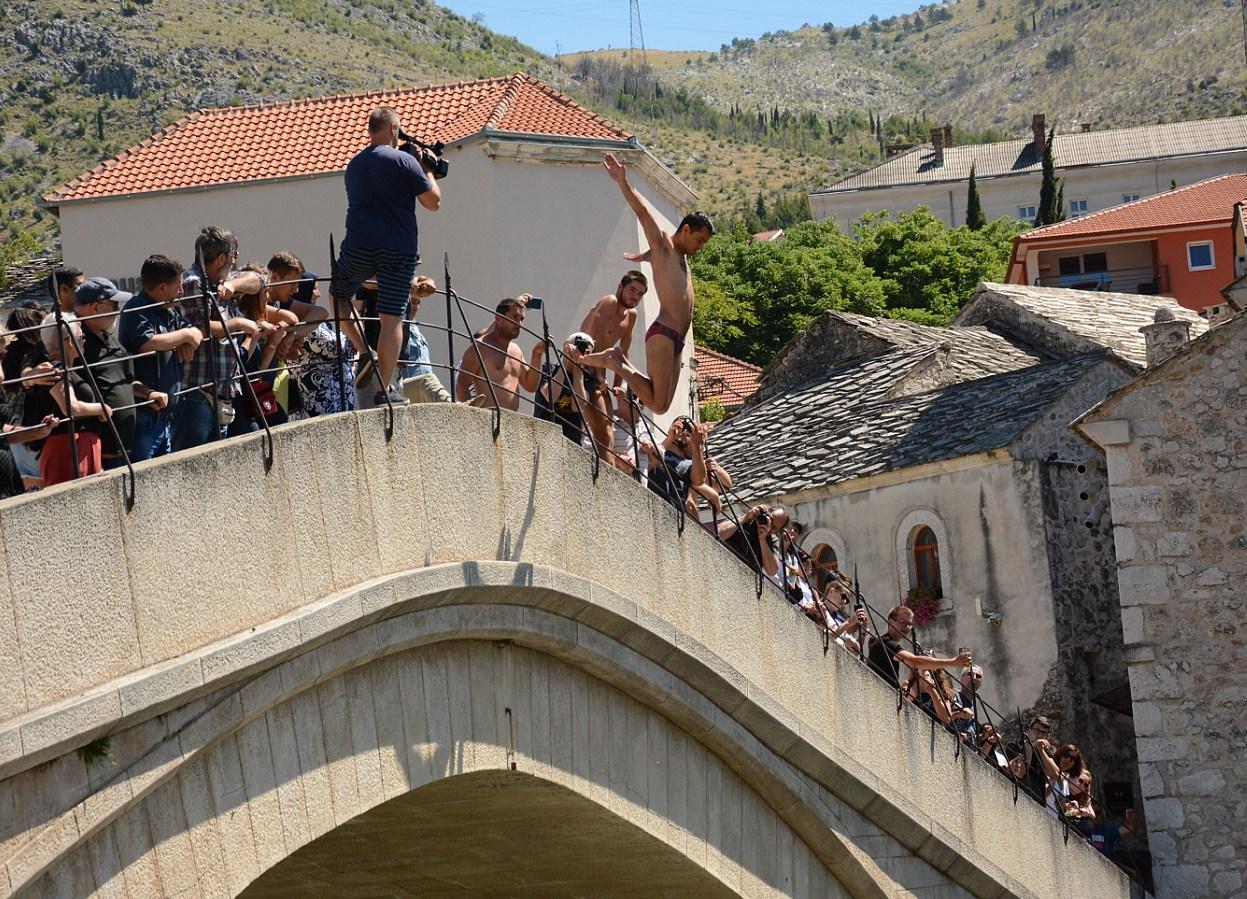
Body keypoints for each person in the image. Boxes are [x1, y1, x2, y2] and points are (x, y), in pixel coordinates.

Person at [571, 153, 713, 415]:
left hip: (678, 339)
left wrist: (646, 257)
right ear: (685, 230)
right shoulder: (664, 245)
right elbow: (643, 212)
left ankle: (618, 363)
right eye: (700, 240)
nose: (700, 247)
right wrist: (622, 182)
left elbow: (668, 275)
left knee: (663, 405)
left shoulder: (678, 257)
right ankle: (615, 363)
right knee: (657, 405)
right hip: (663, 332)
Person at [330, 106, 441, 408]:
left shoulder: (354, 165)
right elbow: (433, 202)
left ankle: (363, 349)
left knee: (338, 297)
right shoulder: (405, 161)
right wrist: (426, 168)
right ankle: (384, 389)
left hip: (358, 245)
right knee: (393, 318)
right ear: (393, 128)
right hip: (398, 249)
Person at [175, 227, 265, 449]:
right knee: (194, 460)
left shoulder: (223, 280)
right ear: (222, 258)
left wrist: (233, 286)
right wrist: (239, 324)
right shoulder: (194, 282)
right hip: (200, 389)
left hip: (223, 389)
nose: (235, 263)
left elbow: (260, 280)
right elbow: (200, 327)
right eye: (234, 257)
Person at [75, 277, 168, 469]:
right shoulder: (76, 343)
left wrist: (148, 393)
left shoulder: (110, 339)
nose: (117, 311)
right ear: (95, 307)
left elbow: (126, 381)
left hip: (123, 444)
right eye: (113, 304)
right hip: (99, 446)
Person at [118, 255, 203, 461]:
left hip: (167, 417)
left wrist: (185, 338)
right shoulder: (137, 310)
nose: (182, 292)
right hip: (146, 416)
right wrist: (183, 337)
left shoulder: (168, 311)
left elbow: (196, 333)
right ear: (163, 287)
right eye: (179, 286)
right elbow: (147, 343)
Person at [573, 271, 646, 464]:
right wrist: (598, 375)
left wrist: (617, 385)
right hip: (579, 369)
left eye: (640, 293)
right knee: (573, 425)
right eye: (632, 290)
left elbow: (624, 352)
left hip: (599, 377)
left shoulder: (631, 315)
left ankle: (605, 482)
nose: (635, 296)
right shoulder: (610, 302)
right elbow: (589, 339)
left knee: (606, 434)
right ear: (621, 287)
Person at [33, 312, 110, 486]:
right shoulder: (55, 369)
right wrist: (102, 408)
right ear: (69, 342)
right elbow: (71, 407)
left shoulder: (65, 369)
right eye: (81, 337)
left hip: (77, 444)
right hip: (68, 447)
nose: (84, 341)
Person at [455, 297, 545, 412]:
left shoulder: (516, 350)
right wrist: (471, 417)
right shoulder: (480, 347)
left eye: (522, 319)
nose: (519, 323)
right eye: (515, 317)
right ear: (498, 319)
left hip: (512, 421)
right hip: (488, 420)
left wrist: (537, 354)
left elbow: (530, 385)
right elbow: (462, 384)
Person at [288, 273, 357, 417]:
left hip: (334, 398)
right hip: (320, 399)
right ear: (303, 290)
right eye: (314, 289)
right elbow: (337, 347)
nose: (319, 294)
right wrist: (354, 329)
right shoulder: (303, 323)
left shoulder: (316, 321)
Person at [865, 605, 973, 690]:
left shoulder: (883, 641)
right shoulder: (886, 642)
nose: (906, 627)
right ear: (890, 622)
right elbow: (915, 661)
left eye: (909, 624)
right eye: (902, 622)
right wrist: (952, 662)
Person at [398, 274, 450, 403]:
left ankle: (455, 406)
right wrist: (411, 284)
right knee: (427, 380)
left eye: (417, 302)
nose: (414, 307)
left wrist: (427, 283)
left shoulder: (414, 326)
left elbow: (428, 281)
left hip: (421, 393)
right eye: (411, 301)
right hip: (401, 389)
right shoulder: (393, 325)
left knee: (427, 381)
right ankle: (456, 407)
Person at [642, 415, 708, 513]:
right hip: (652, 507)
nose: (684, 433)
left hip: (674, 513)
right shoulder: (658, 448)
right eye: (681, 427)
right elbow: (647, 465)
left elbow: (699, 480)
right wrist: (670, 438)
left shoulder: (688, 462)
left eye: (688, 432)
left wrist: (697, 447)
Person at [717, 503, 787, 578]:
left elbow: (772, 571)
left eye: (773, 527)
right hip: (723, 564)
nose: (769, 525)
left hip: (745, 579)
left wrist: (762, 539)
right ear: (766, 512)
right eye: (770, 519)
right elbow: (718, 533)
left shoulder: (772, 540)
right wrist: (746, 517)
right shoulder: (741, 518)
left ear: (777, 532)